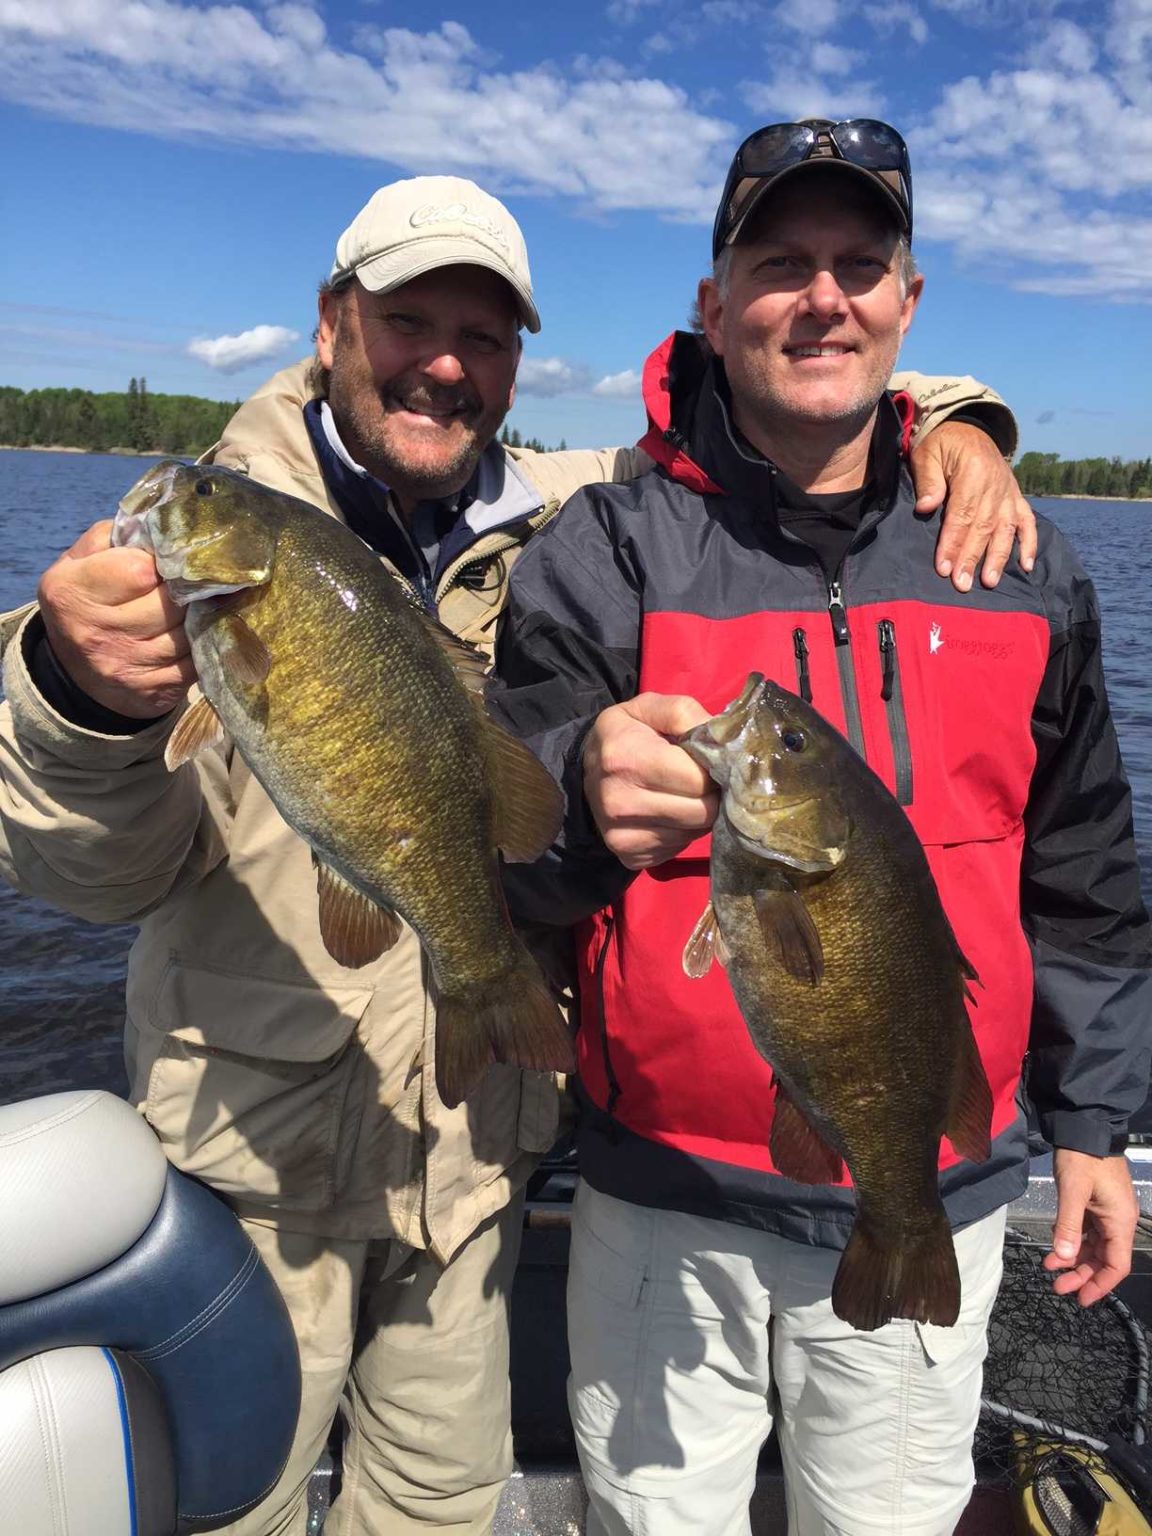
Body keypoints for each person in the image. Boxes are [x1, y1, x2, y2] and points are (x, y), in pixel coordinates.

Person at [0, 171, 1032, 1535]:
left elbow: (768, 416)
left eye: (482, 338)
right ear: (332, 323)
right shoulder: (194, 542)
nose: (443, 363)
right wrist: (79, 690)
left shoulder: (563, 506)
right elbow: (92, 873)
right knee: (236, 1500)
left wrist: (957, 428)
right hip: (250, 1171)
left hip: (475, 1163)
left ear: (517, 362)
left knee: (440, 1503)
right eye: (406, 321)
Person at [492, 121, 1152, 1535]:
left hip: (940, 1185)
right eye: (781, 264)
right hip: (660, 1200)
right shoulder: (603, 549)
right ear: (715, 309)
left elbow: (1082, 869)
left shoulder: (1017, 558)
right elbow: (501, 857)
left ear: (909, 305)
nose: (824, 297)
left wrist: (1095, 1123)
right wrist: (574, 806)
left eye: (861, 264)